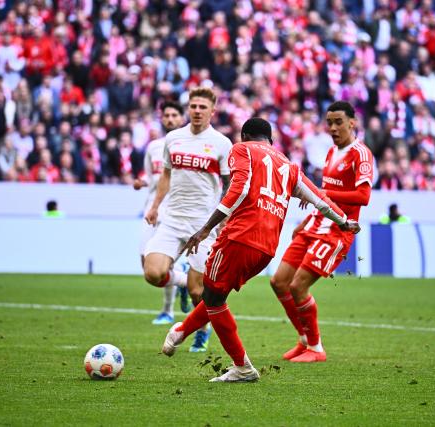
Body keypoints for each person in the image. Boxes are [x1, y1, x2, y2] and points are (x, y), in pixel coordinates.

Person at [161, 117, 360, 382]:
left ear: (244, 135)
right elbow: (320, 200)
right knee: (216, 293)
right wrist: (344, 221)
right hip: (266, 249)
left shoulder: (241, 149)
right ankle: (181, 332)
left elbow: (239, 188)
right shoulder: (288, 165)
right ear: (271, 141)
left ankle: (242, 367)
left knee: (212, 296)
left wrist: (207, 228)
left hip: (240, 237)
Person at [270, 101, 374, 363]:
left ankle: (316, 349)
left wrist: (323, 193)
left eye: (338, 121)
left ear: (353, 122)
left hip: (338, 230)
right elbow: (325, 199)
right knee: (279, 282)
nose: (333, 127)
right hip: (316, 224)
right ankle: (304, 340)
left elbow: (363, 196)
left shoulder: (360, 154)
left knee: (298, 286)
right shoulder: (330, 153)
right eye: (329, 122)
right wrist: (307, 220)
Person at [143, 87, 232, 352]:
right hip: (172, 218)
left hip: (203, 225)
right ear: (188, 108)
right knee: (152, 272)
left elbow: (230, 184)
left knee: (198, 292)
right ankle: (179, 280)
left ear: (212, 111)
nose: (197, 111)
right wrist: (155, 206)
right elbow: (166, 176)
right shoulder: (174, 138)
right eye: (193, 106)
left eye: (202, 107)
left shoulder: (221, 143)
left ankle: (202, 331)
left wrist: (224, 219)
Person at [133, 101, 191, 325]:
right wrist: (142, 181)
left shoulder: (188, 145)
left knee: (162, 264)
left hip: (174, 209)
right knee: (145, 264)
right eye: (166, 115)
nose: (170, 118)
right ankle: (185, 281)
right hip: (152, 207)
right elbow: (154, 176)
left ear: (181, 118)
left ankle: (167, 310)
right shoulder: (154, 147)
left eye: (174, 115)